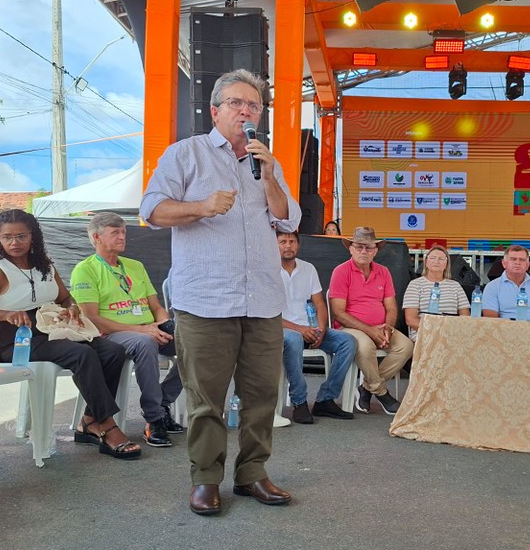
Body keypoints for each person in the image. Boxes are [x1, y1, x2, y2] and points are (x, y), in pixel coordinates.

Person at [140, 69, 301, 515]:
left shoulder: (266, 161)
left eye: (253, 105)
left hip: (263, 299)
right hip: (206, 299)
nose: (246, 111)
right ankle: (206, 479)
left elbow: (288, 221)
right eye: (236, 103)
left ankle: (253, 474)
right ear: (215, 110)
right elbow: (151, 209)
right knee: (206, 397)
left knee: (263, 395)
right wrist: (201, 207)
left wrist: (269, 176)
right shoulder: (185, 154)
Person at [0, 209, 140, 459]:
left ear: (33, 237)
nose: (14, 243)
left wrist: (71, 308)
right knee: (81, 354)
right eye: (7, 237)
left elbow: (64, 297)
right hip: (17, 339)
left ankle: (91, 419)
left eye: (21, 236)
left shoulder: (45, 266)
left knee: (114, 351)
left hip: (53, 329)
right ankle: (107, 425)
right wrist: (5, 314)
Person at [70, 212, 184, 448]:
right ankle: (153, 419)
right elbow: (92, 318)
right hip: (111, 334)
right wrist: (143, 330)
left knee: (193, 342)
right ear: (96, 238)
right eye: (115, 232)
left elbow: (155, 305)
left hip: (147, 328)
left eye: (123, 232)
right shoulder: (85, 269)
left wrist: (163, 323)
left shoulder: (135, 266)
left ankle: (163, 402)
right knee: (145, 343)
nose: (122, 237)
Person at [329, 227, 413, 415]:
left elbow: (391, 307)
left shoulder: (383, 272)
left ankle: (366, 388)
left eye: (368, 248)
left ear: (376, 251)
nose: (364, 251)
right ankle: (382, 393)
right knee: (366, 346)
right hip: (349, 327)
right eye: (359, 247)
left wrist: (388, 328)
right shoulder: (341, 272)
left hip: (381, 327)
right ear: (350, 248)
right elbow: (338, 313)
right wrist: (370, 330)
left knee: (406, 346)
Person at [277, 230, 356, 423]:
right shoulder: (268, 270)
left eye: (292, 241)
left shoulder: (308, 268)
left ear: (298, 245)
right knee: (294, 339)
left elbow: (320, 303)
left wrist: (321, 329)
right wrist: (300, 329)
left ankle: (325, 399)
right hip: (283, 330)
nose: (288, 246)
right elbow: (269, 314)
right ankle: (299, 401)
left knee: (348, 341)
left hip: (311, 329)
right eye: (283, 242)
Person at [403, 245, 470, 341]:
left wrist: (451, 331)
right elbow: (410, 319)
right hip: (424, 333)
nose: (436, 261)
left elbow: (465, 317)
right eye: (432, 258)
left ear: (447, 264)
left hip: (451, 333)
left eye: (441, 259)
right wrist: (435, 330)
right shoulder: (415, 284)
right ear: (426, 262)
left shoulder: (455, 286)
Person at [482, 245, 530, 321]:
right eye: (513, 259)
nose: (517, 263)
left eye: (522, 260)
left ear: (527, 265)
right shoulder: (492, 287)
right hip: (503, 330)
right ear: (504, 263)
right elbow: (490, 321)